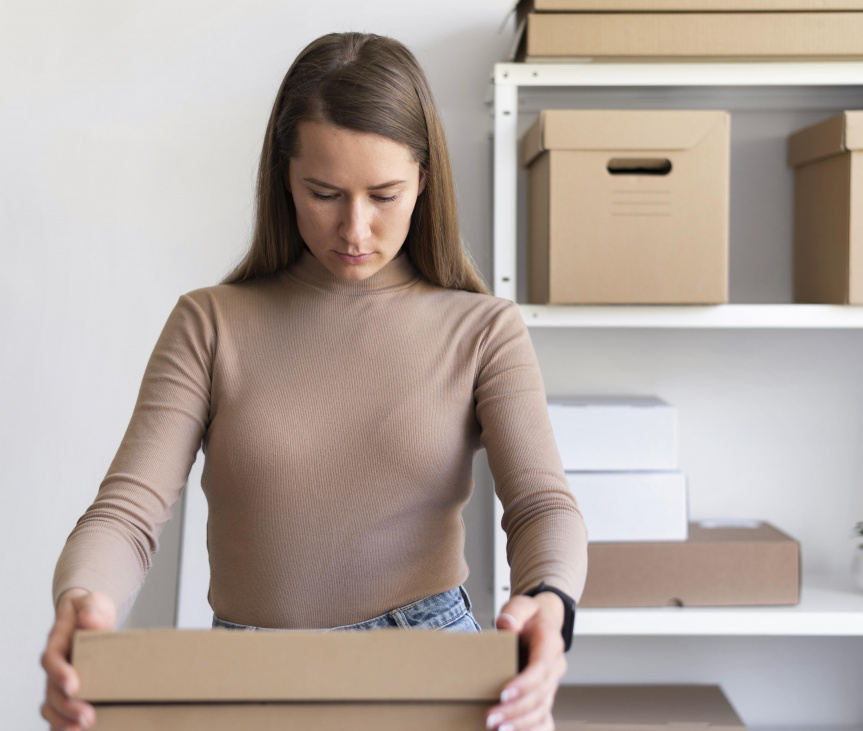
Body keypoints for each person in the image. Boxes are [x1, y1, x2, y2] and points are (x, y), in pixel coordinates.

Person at [40, 31, 587, 731]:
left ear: (423, 177)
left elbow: (543, 505)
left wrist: (550, 600)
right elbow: (127, 514)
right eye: (324, 192)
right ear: (284, 178)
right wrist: (82, 600)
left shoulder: (482, 330)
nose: (355, 228)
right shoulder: (211, 324)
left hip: (434, 670)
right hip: (247, 681)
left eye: (384, 194)